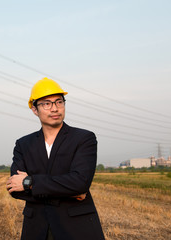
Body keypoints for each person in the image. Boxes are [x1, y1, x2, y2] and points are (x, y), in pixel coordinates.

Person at [6, 77, 105, 240]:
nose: (55, 108)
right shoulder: (23, 144)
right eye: (46, 104)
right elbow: (14, 188)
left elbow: (80, 182)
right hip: (36, 230)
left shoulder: (84, 138)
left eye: (59, 102)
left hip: (77, 229)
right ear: (34, 109)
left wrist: (29, 183)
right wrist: (68, 191)